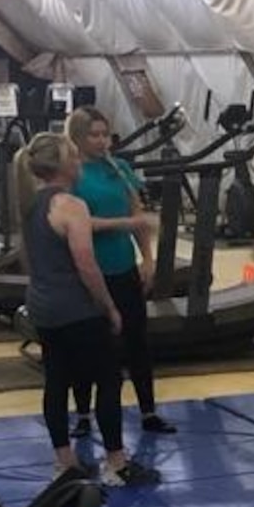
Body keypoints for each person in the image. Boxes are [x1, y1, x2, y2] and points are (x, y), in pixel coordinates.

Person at [18, 131, 159, 489]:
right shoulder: (72, 206)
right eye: (75, 157)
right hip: (75, 309)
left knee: (57, 380)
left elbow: (27, 256)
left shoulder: (33, 202)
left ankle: (64, 462)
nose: (80, 163)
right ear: (65, 165)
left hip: (44, 307)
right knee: (108, 380)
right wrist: (109, 307)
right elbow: (86, 264)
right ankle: (116, 464)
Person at [62, 106, 174, 439]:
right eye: (93, 135)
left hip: (123, 267)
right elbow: (76, 224)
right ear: (78, 139)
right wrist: (124, 224)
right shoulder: (72, 174)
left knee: (137, 341)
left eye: (105, 134)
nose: (101, 141)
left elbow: (138, 218)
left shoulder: (121, 168)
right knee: (88, 346)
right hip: (89, 272)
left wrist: (149, 260)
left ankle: (148, 411)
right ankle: (83, 413)